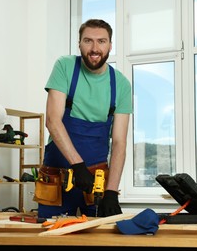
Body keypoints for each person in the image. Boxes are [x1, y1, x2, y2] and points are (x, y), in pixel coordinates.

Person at [34, 19, 132, 219]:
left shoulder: (121, 84)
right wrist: (78, 165)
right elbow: (53, 121)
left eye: (102, 41)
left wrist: (112, 191)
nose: (95, 48)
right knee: (50, 238)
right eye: (88, 41)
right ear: (79, 43)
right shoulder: (65, 67)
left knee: (100, 239)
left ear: (110, 46)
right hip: (57, 178)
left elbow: (120, 143)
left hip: (96, 182)